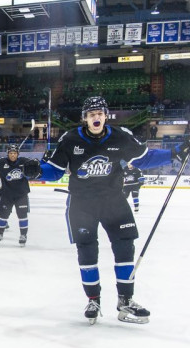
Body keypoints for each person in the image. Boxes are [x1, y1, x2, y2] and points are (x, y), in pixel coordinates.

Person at [36, 96, 188, 324]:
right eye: (91, 114)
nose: (96, 117)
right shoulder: (70, 139)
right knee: (87, 251)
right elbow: (55, 170)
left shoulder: (121, 136)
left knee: (125, 247)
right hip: (82, 203)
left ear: (106, 116)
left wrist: (175, 152)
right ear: (84, 118)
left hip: (113, 201)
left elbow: (144, 159)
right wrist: (35, 170)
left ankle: (125, 300)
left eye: (99, 113)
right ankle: (93, 299)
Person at [0, 144, 40, 247]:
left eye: (14, 153)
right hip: (7, 195)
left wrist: (41, 162)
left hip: (21, 195)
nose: (12, 155)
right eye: (11, 153)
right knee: (3, 216)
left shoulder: (24, 161)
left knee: (23, 216)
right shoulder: (1, 162)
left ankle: (23, 235)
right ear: (8, 154)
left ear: (18, 154)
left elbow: (37, 167)